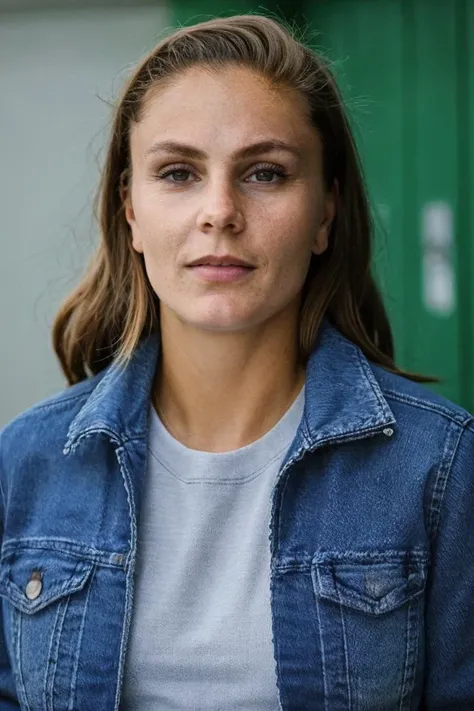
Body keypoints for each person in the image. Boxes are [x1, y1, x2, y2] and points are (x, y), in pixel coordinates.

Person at [0, 13, 473, 711]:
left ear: (324, 213)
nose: (219, 211)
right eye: (179, 172)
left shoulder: (442, 466)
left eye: (264, 172)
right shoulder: (27, 462)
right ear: (130, 209)